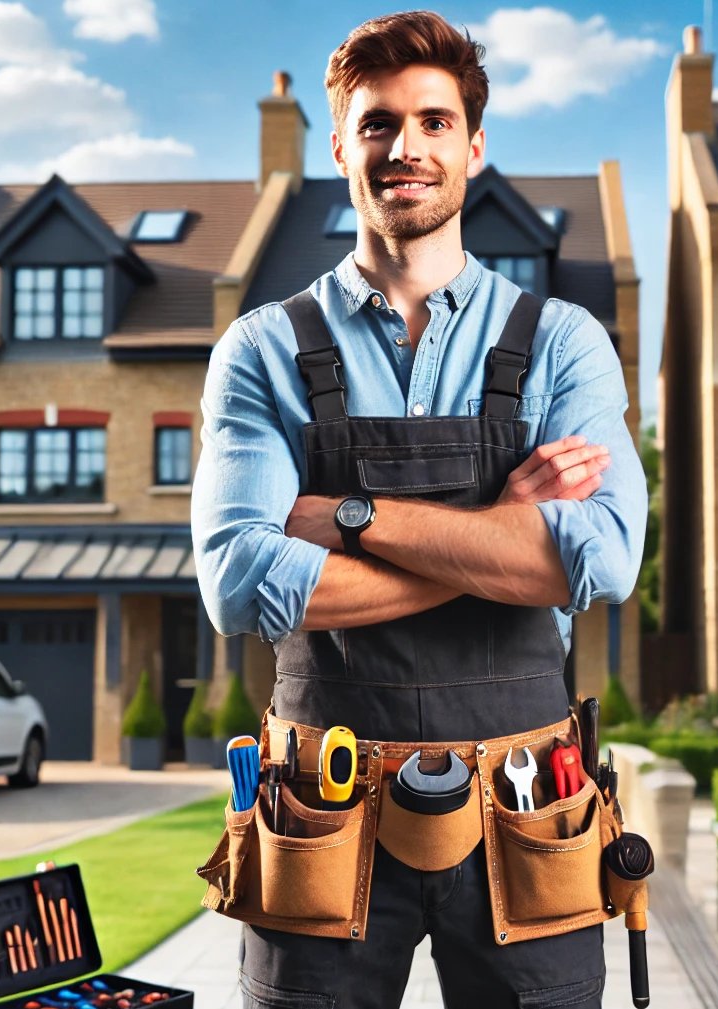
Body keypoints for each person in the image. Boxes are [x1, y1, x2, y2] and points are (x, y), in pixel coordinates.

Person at [191, 10, 647, 1009]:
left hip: (529, 813)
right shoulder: (263, 348)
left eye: (434, 121)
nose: (407, 147)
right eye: (379, 123)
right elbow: (239, 584)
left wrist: (345, 515)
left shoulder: (563, 343)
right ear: (343, 144)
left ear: (472, 146)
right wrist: (503, 528)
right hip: (321, 812)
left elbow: (601, 560)